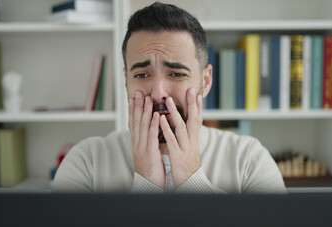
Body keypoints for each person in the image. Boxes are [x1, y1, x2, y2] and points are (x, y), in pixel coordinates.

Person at [52, 2, 286, 193]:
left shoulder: (249, 160)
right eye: (142, 74)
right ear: (126, 81)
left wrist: (192, 181)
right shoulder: (86, 162)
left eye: (176, 74)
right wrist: (146, 186)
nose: (158, 92)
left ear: (205, 81)